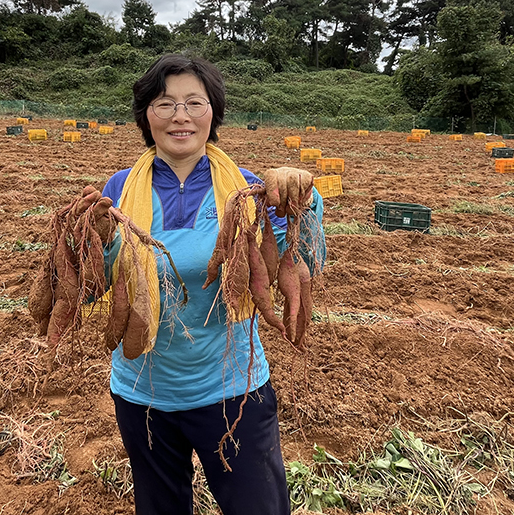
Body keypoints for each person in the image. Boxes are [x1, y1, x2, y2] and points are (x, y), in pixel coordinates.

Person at [67, 53, 325, 515]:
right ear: (147, 115)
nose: (180, 116)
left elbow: (303, 260)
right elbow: (92, 289)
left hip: (233, 392)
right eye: (165, 103)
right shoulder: (119, 189)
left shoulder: (249, 189)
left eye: (194, 103)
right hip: (143, 394)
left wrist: (304, 196)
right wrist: (93, 243)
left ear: (213, 112)